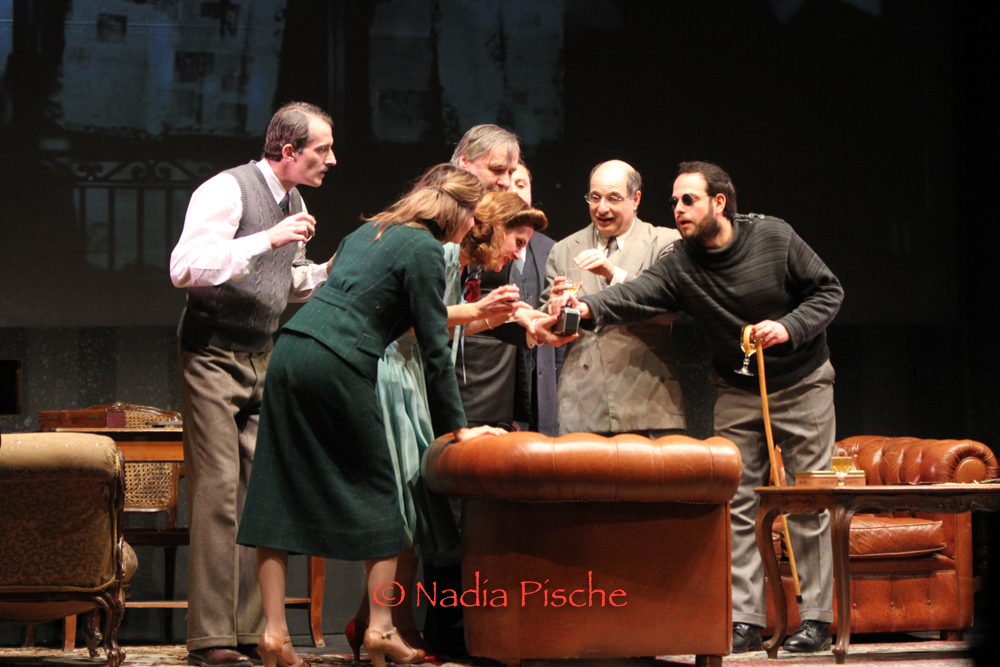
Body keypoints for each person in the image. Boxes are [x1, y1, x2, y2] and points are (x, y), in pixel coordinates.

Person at [560, 161, 844, 654]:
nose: (678, 209)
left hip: (802, 382)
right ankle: (745, 620)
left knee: (807, 499)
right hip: (735, 387)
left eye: (688, 200)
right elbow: (636, 294)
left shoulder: (773, 237)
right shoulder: (680, 262)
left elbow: (828, 291)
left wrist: (788, 327)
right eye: (673, 202)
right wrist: (586, 308)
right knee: (737, 502)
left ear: (719, 202)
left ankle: (817, 619)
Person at [236, 164, 507, 667]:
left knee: (277, 488)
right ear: (457, 211)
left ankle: (273, 636)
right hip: (338, 361)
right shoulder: (425, 248)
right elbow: (433, 346)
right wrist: (459, 428)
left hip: (290, 349)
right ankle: (381, 630)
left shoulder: (370, 230)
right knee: (383, 493)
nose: (474, 227)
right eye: (473, 216)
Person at [344, 189, 550, 660]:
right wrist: (481, 311)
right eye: (517, 242)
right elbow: (413, 322)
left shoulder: (464, 267)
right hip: (389, 373)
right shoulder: (437, 254)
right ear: (492, 227)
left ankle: (369, 619)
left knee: (416, 506)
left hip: (412, 376)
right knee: (403, 504)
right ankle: (391, 624)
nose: (518, 254)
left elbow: (445, 325)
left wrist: (510, 320)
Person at [169, 101, 336, 667]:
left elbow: (283, 284)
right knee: (217, 492)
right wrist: (267, 238)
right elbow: (186, 267)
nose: (331, 159)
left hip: (263, 356)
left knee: (254, 497)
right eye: (322, 149)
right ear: (288, 151)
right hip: (212, 356)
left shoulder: (294, 203)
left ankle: (247, 631)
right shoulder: (227, 190)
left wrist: (329, 272)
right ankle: (211, 638)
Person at [540, 159, 685, 438]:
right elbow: (549, 327)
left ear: (635, 199)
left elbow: (666, 310)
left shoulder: (664, 242)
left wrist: (612, 273)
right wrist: (555, 309)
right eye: (595, 197)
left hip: (647, 401)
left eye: (613, 198)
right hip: (581, 404)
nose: (602, 208)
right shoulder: (564, 249)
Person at [459, 160, 559, 434]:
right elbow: (430, 326)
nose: (517, 255)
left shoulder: (495, 257)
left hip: (498, 403)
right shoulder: (445, 254)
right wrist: (489, 311)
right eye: (517, 243)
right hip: (461, 388)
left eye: (520, 182)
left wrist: (524, 320)